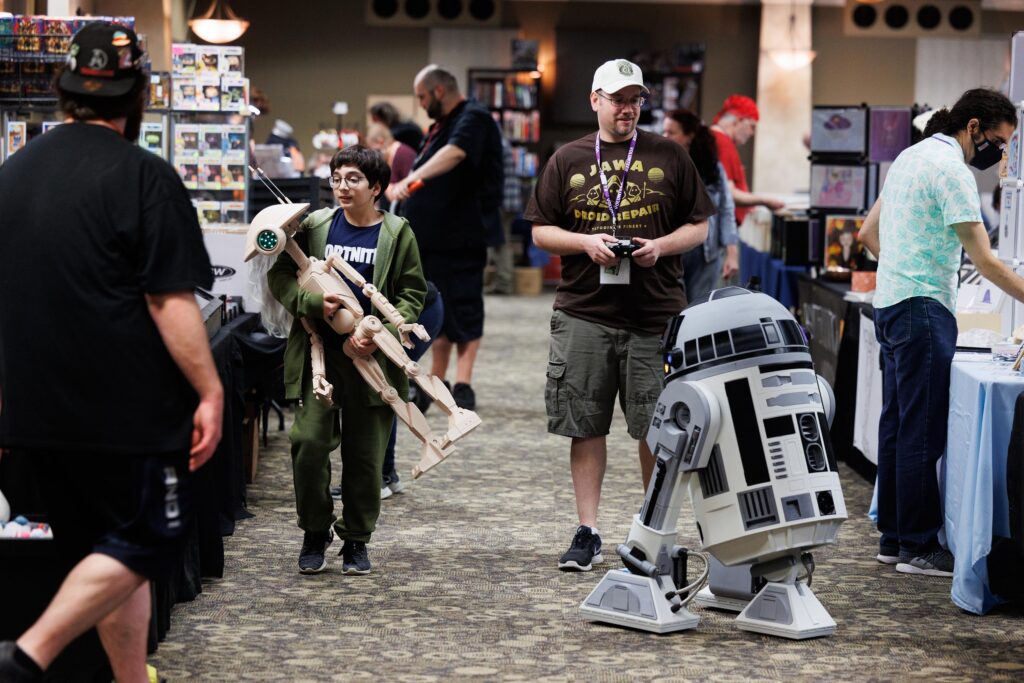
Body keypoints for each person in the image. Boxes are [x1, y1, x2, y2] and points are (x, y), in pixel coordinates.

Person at [0, 22, 223, 682]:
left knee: (97, 554)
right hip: (128, 415)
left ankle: (129, 679)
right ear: (139, 95)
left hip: (38, 415)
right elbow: (170, 303)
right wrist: (210, 390)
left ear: (62, 90)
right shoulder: (145, 177)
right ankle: (28, 653)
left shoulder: (10, 176)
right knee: (151, 536)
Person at [524, 59, 713, 571]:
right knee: (586, 425)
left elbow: (699, 226)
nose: (626, 108)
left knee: (657, 430)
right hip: (585, 311)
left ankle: (656, 531)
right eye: (617, 98)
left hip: (655, 314)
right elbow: (541, 231)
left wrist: (661, 246)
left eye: (634, 99)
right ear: (595, 100)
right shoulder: (567, 159)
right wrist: (585, 243)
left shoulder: (670, 154)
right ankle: (587, 531)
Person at [858, 87, 1022, 578]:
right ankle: (918, 546)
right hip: (924, 310)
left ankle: (893, 537)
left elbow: (867, 235)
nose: (1001, 154)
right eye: (999, 141)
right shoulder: (952, 170)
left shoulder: (910, 156)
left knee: (896, 425)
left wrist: (902, 268)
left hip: (889, 305)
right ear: (973, 128)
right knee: (921, 433)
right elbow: (987, 263)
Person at [267, 145, 426, 576]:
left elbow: (413, 294)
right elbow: (279, 273)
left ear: (376, 187)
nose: (342, 186)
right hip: (319, 356)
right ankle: (315, 530)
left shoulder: (397, 232)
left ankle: (356, 539)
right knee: (309, 442)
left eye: (353, 179)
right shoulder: (314, 226)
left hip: (373, 362)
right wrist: (310, 302)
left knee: (365, 455)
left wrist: (381, 335)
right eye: (336, 178)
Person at [388, 65, 504, 411]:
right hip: (433, 237)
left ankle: (464, 382)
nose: (420, 103)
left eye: (422, 96)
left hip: (464, 234)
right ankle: (435, 381)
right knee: (435, 305)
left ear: (438, 91)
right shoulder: (438, 126)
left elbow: (454, 154)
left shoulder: (474, 117)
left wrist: (410, 180)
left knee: (465, 307)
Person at [662, 108, 738, 301]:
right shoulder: (661, 168)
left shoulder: (712, 168)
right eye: (664, 132)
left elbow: (726, 210)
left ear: (689, 136)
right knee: (674, 310)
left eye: (671, 132)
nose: (664, 137)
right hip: (671, 249)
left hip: (705, 251)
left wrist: (732, 253)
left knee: (700, 309)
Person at [710, 94, 784, 223]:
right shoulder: (722, 142)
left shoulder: (713, 138)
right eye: (752, 126)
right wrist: (764, 201)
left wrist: (748, 204)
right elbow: (729, 193)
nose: (752, 133)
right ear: (737, 121)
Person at [366, 121, 417, 187]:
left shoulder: (402, 153)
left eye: (375, 150)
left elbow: (412, 184)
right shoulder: (390, 155)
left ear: (380, 141)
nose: (375, 155)